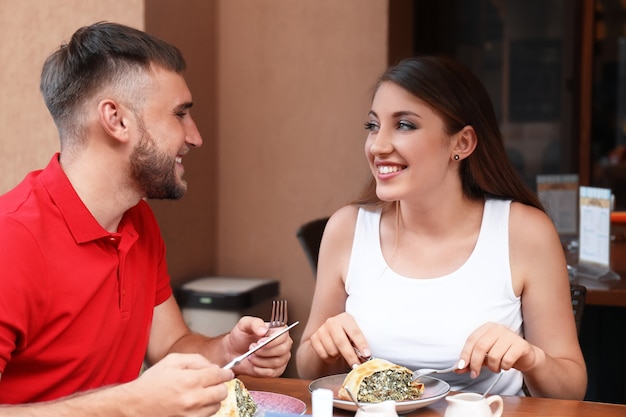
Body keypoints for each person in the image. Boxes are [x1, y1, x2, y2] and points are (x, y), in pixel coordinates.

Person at [0, 22, 292, 415]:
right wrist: (133, 403)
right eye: (180, 114)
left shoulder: (137, 220)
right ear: (117, 120)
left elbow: (171, 346)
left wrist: (231, 351)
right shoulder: (11, 241)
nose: (195, 136)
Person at [296, 56, 587, 399]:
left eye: (404, 125)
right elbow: (307, 369)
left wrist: (531, 358)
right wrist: (323, 346)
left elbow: (571, 390)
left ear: (461, 143)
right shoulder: (346, 228)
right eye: (373, 126)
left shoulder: (524, 232)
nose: (378, 146)